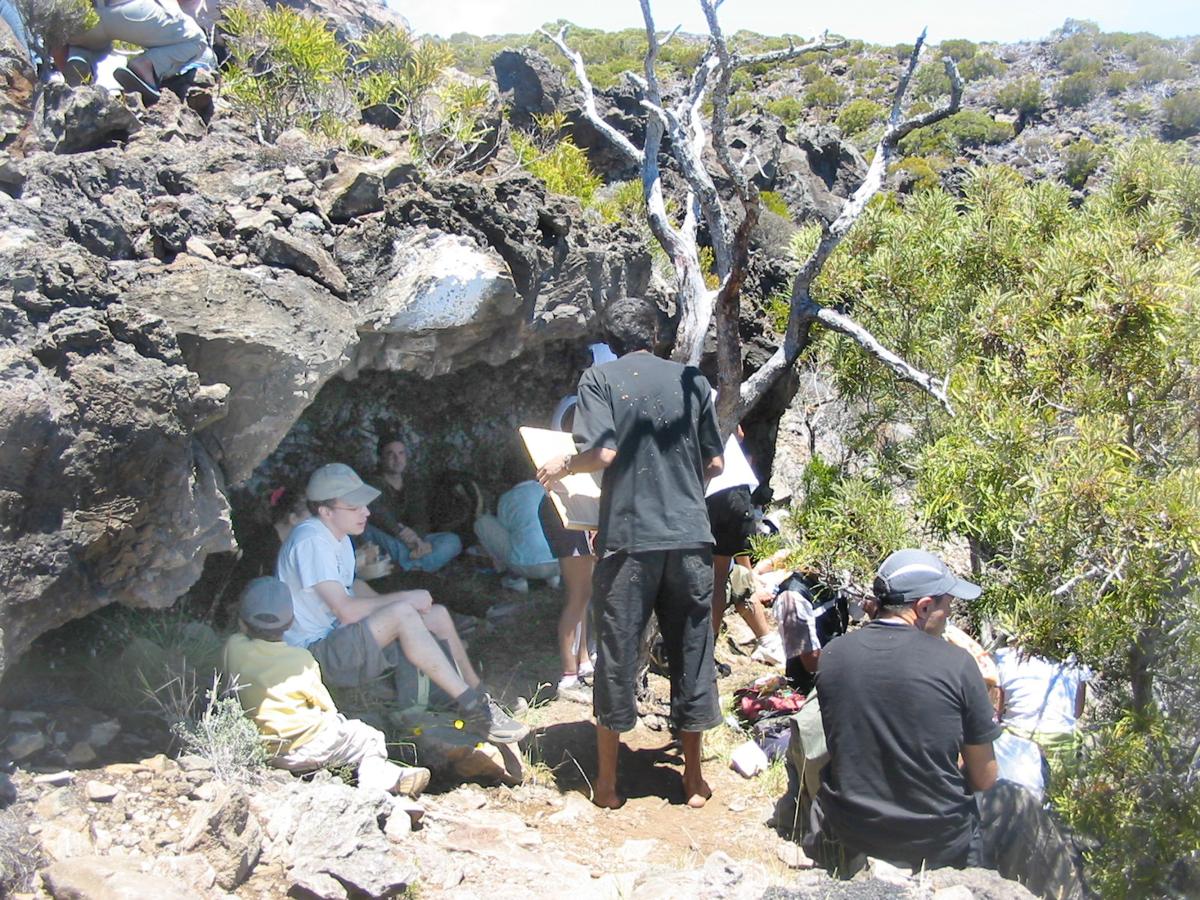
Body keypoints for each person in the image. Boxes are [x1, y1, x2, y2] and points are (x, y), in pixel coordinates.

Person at [537, 296, 725, 810]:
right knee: (693, 648)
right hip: (689, 536)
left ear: (610, 343)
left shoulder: (600, 381)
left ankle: (607, 787)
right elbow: (715, 462)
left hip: (630, 539)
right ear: (656, 335)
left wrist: (562, 466)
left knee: (618, 651)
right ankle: (691, 781)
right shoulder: (694, 382)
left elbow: (603, 453)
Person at [277, 462, 527, 744]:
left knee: (437, 615)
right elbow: (345, 609)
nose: (367, 512)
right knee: (403, 613)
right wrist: (403, 601)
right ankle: (472, 707)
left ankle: (478, 692)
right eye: (355, 507)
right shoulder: (311, 540)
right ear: (325, 511)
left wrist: (396, 608)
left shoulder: (338, 537)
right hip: (313, 654)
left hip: (336, 638)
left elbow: (353, 587)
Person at [806, 548, 1001, 875]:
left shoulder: (834, 655)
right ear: (924, 607)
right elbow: (985, 777)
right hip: (936, 842)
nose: (950, 613)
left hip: (853, 832)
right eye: (947, 605)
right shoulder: (957, 664)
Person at [223, 576, 431, 797]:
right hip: (309, 745)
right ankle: (375, 786)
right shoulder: (301, 660)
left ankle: (391, 776)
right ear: (291, 623)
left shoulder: (233, 648)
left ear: (242, 622)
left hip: (265, 749)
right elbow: (326, 708)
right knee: (368, 737)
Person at [706, 420, 782, 665]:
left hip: (705, 489)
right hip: (731, 486)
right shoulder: (714, 394)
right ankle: (709, 647)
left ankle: (707, 645)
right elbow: (738, 433)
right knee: (724, 575)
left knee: (717, 573)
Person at [62, 0, 215, 101]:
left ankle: (78, 57)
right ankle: (146, 65)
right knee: (195, 40)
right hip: (127, 10)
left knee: (93, 44)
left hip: (82, 16)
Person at [364, 436, 462, 574]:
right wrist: (403, 535)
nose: (397, 459)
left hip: (412, 539)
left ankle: (414, 566)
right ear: (381, 459)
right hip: (390, 538)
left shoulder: (413, 484)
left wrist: (417, 538)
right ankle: (417, 565)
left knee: (452, 541)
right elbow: (379, 514)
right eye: (390, 454)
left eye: (401, 453)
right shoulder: (372, 484)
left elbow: (421, 519)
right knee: (367, 530)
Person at [995, 645, 1091, 774]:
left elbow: (997, 710)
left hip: (1015, 740)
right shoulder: (1076, 660)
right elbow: (1077, 711)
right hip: (1059, 741)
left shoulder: (1006, 656)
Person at [473, 480, 560, 593]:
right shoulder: (553, 490)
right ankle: (553, 579)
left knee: (482, 523)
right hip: (563, 563)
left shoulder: (507, 498)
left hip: (524, 566)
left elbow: (506, 530)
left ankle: (515, 578)